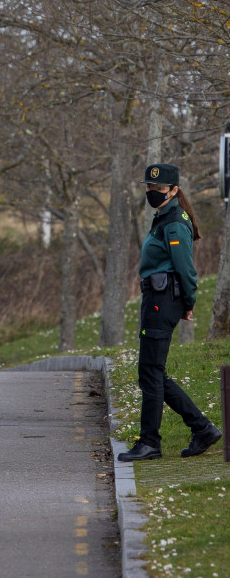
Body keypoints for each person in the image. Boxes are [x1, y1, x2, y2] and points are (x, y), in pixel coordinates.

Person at [117, 163, 223, 462]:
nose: (152, 192)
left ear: (173, 190)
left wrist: (189, 302)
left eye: (158, 189)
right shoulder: (164, 216)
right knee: (152, 372)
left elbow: (186, 269)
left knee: (150, 372)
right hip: (158, 297)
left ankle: (151, 442)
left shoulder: (175, 221)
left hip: (163, 300)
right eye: (149, 188)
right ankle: (201, 429)